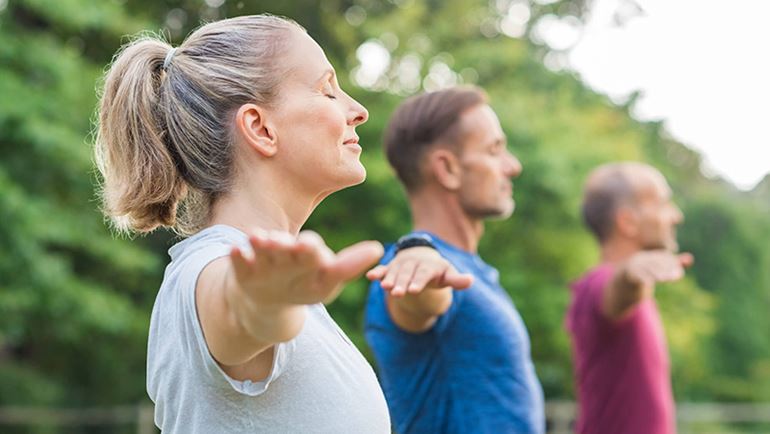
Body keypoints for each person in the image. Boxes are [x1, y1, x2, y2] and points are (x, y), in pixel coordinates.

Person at [94, 15, 392, 433]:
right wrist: (264, 301)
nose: (358, 111)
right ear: (260, 128)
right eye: (327, 90)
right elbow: (238, 309)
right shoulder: (209, 270)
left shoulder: (282, 289)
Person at [364, 87, 545, 434]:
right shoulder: (412, 269)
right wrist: (420, 257)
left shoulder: (469, 270)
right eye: (494, 150)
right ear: (447, 168)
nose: (513, 166)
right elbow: (420, 297)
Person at [566, 162, 693, 434]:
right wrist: (630, 272)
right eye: (663, 204)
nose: (676, 216)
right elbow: (617, 289)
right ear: (628, 222)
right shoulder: (597, 284)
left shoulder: (639, 296)